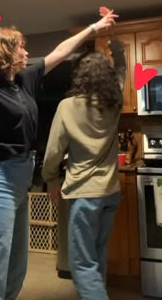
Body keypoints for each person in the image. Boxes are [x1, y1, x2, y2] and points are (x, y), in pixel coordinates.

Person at [0, 10, 116, 300]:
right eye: (20, 46)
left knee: (16, 271)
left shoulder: (24, 81)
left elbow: (59, 51)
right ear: (4, 51)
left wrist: (94, 27)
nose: (26, 51)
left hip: (19, 185)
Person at [42, 39, 126, 300]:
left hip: (83, 195)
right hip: (110, 192)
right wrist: (118, 49)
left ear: (80, 77)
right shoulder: (115, 102)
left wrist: (51, 180)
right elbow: (122, 72)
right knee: (97, 256)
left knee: (81, 264)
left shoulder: (68, 107)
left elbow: (54, 151)